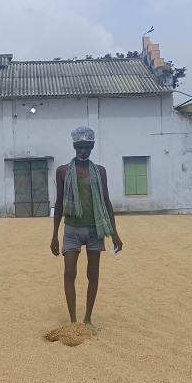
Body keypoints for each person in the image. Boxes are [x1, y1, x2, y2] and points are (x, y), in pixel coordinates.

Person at [50, 126, 123, 328]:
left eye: (87, 148)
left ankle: (88, 319)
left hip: (94, 229)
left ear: (92, 147)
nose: (84, 152)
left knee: (93, 275)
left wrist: (115, 233)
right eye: (80, 147)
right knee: (69, 274)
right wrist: (55, 235)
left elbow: (106, 201)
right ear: (74, 146)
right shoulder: (63, 171)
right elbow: (59, 203)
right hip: (72, 228)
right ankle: (73, 321)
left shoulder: (100, 171)